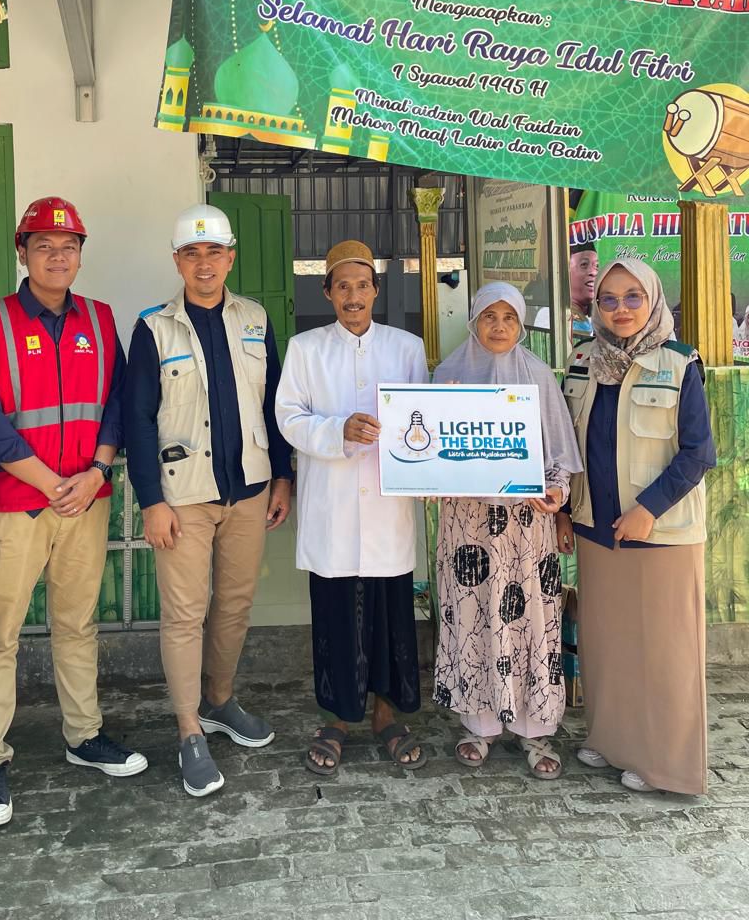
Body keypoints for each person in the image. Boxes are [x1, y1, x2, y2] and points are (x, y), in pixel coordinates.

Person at [0, 196, 145, 829]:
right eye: (44, 245)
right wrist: (52, 484)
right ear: (23, 252)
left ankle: (83, 734)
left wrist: (95, 471)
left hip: (85, 500)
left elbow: (116, 403)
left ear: (79, 255)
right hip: (18, 504)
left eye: (68, 246)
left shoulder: (100, 318)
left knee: (77, 623)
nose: (57, 255)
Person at [124, 204, 293, 798]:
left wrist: (283, 475)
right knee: (185, 613)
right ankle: (189, 727)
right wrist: (151, 500)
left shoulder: (254, 318)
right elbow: (138, 419)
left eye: (214, 252)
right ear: (177, 260)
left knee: (236, 605)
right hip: (183, 498)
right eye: (192, 253)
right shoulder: (153, 328)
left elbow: (275, 403)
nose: (203, 263)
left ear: (231, 256)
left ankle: (220, 699)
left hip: (248, 489)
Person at [558, 259, 715, 795]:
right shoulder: (582, 362)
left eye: (633, 298)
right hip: (596, 527)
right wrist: (563, 512)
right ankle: (612, 741)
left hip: (660, 531)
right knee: (609, 643)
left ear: (652, 301)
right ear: (595, 307)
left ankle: (665, 763)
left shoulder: (679, 363)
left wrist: (649, 508)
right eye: (609, 299)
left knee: (664, 648)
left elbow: (698, 453)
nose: (621, 309)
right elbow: (566, 447)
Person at [275, 240, 429, 776]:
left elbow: (424, 422)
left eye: (362, 285)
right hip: (333, 508)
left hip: (388, 509)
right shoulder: (305, 349)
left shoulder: (407, 348)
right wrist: (334, 430)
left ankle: (387, 715)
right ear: (327, 292)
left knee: (390, 618)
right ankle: (337, 719)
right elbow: (288, 417)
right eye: (342, 286)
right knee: (336, 619)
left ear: (376, 290)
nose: (353, 295)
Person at [433, 282, 581, 779]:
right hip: (467, 523)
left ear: (521, 325)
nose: (499, 326)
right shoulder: (447, 374)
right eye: (489, 316)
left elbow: (559, 455)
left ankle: (535, 729)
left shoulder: (538, 377)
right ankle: (478, 724)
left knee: (530, 620)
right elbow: (430, 448)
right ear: (473, 319)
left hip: (524, 525)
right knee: (474, 616)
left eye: (509, 318)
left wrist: (554, 492)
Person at [569, 243, 599, 338]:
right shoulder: (550, 314)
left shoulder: (597, 313)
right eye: (584, 265)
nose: (593, 272)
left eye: (597, 266)